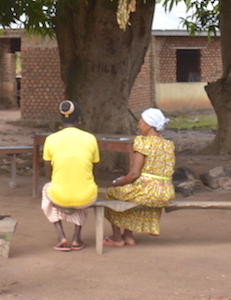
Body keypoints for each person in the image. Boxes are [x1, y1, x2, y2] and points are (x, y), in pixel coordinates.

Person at [103, 107, 175, 246]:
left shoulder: (143, 142)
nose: (138, 125)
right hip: (166, 192)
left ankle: (117, 237)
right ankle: (128, 235)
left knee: (113, 194)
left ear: (148, 126)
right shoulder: (168, 144)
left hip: (149, 191)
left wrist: (117, 183)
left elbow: (134, 174)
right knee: (130, 194)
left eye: (141, 123)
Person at [40, 100, 100, 251]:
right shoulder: (90, 138)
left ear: (61, 119)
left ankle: (61, 235)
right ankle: (76, 238)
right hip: (86, 197)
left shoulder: (50, 139)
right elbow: (95, 169)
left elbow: (48, 171)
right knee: (86, 186)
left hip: (59, 196)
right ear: (79, 119)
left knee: (47, 189)